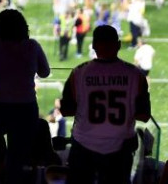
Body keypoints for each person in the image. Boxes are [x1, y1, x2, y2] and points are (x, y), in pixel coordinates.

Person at [60, 25, 151, 184]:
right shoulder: (136, 75)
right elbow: (144, 115)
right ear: (118, 45)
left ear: (94, 46)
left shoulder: (78, 73)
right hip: (120, 148)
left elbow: (66, 110)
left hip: (84, 145)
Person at [0, 9, 50, 184]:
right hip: (27, 108)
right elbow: (45, 72)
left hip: (1, 107)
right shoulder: (32, 46)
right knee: (16, 159)